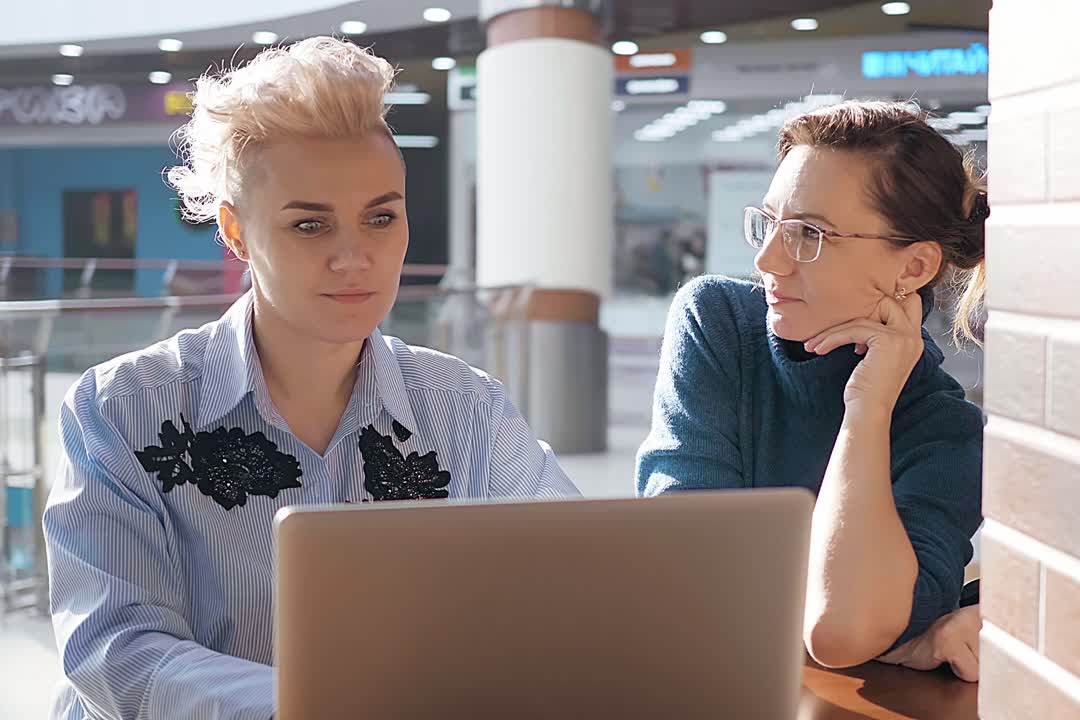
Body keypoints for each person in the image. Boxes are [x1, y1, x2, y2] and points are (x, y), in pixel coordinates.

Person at [43, 37, 578, 720]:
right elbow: (116, 650)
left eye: (380, 217)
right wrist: (325, 705)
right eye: (309, 226)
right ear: (236, 233)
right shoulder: (123, 409)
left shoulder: (466, 410)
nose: (355, 257)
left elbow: (569, 588)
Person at [636, 100, 986, 680]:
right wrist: (899, 642)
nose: (768, 259)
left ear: (914, 266)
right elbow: (682, 573)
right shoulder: (718, 321)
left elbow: (842, 631)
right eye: (770, 223)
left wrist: (868, 409)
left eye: (809, 234)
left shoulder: (946, 432)